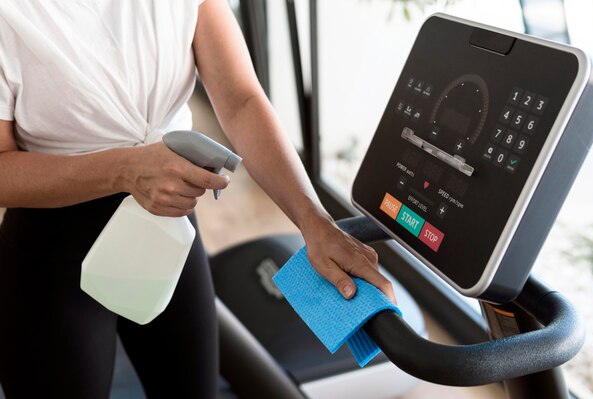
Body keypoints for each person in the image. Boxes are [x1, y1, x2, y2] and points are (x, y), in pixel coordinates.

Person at [0, 1, 396, 398]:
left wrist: (316, 223)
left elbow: (241, 99)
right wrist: (126, 170)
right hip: (54, 247)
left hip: (168, 226)